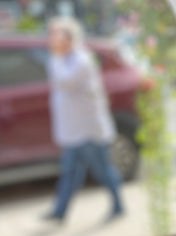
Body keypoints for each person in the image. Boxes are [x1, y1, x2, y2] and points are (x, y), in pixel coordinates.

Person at [44, 16, 124, 222]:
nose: (51, 39)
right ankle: (59, 212)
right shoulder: (66, 59)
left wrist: (56, 56)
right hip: (74, 131)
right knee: (70, 173)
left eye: (55, 35)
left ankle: (118, 205)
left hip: (89, 131)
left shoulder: (80, 60)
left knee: (102, 171)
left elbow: (64, 82)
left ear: (68, 37)